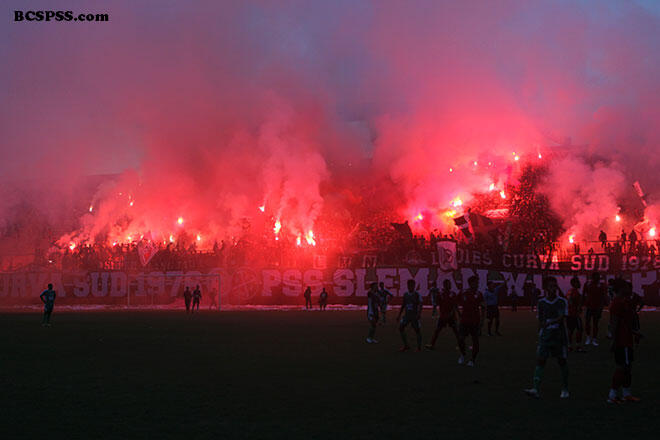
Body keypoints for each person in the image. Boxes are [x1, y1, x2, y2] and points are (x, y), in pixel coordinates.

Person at [524, 277, 570, 399]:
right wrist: (540, 334)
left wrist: (549, 322)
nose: (553, 289)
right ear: (545, 288)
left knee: (562, 361)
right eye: (550, 286)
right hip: (546, 337)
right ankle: (535, 388)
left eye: (555, 286)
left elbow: (562, 317)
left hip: (559, 336)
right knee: (540, 361)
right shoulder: (541, 303)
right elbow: (540, 320)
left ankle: (565, 388)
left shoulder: (561, 301)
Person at [607, 279, 640, 403]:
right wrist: (613, 340)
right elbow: (614, 323)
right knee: (622, 367)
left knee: (628, 367)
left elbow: (624, 322)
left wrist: (635, 333)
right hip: (622, 341)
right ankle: (612, 395)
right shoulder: (617, 303)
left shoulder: (624, 302)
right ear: (621, 288)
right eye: (626, 287)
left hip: (627, 339)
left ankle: (626, 393)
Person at [456, 276, 485, 366]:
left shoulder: (479, 294)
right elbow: (455, 303)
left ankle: (472, 360)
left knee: (475, 340)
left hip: (475, 321)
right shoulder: (463, 293)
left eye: (477, 283)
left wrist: (482, 320)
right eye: (476, 283)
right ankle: (463, 354)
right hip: (464, 320)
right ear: (471, 283)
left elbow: (483, 307)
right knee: (460, 339)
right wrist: (459, 314)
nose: (477, 284)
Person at [425, 280, 459, 350]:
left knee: (456, 331)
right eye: (448, 284)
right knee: (438, 330)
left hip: (450, 315)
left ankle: (461, 344)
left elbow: (455, 305)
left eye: (450, 284)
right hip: (443, 315)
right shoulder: (441, 294)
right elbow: (438, 303)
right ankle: (432, 344)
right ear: (445, 285)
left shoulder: (452, 294)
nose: (450, 286)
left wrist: (455, 313)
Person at [397, 279, 423, 352]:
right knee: (401, 328)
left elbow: (420, 304)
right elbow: (403, 305)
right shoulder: (405, 294)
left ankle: (419, 348)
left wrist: (419, 314)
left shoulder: (417, 294)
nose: (410, 287)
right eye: (409, 285)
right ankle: (406, 345)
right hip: (407, 315)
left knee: (417, 331)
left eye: (412, 285)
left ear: (414, 286)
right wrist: (399, 315)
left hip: (414, 316)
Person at [583, 272, 607, 346]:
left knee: (595, 323)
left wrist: (601, 306)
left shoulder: (601, 285)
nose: (598, 279)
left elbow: (603, 296)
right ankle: (588, 337)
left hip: (597, 307)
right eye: (596, 277)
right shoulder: (587, 284)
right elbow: (584, 294)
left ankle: (594, 339)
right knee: (587, 322)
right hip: (589, 306)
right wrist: (583, 304)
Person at [566, 277, 586, 352]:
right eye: (578, 282)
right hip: (574, 314)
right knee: (579, 329)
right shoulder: (575, 293)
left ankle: (569, 346)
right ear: (574, 283)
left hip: (569, 314)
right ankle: (578, 346)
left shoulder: (569, 291)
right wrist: (578, 308)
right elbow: (573, 302)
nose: (579, 283)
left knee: (570, 330)